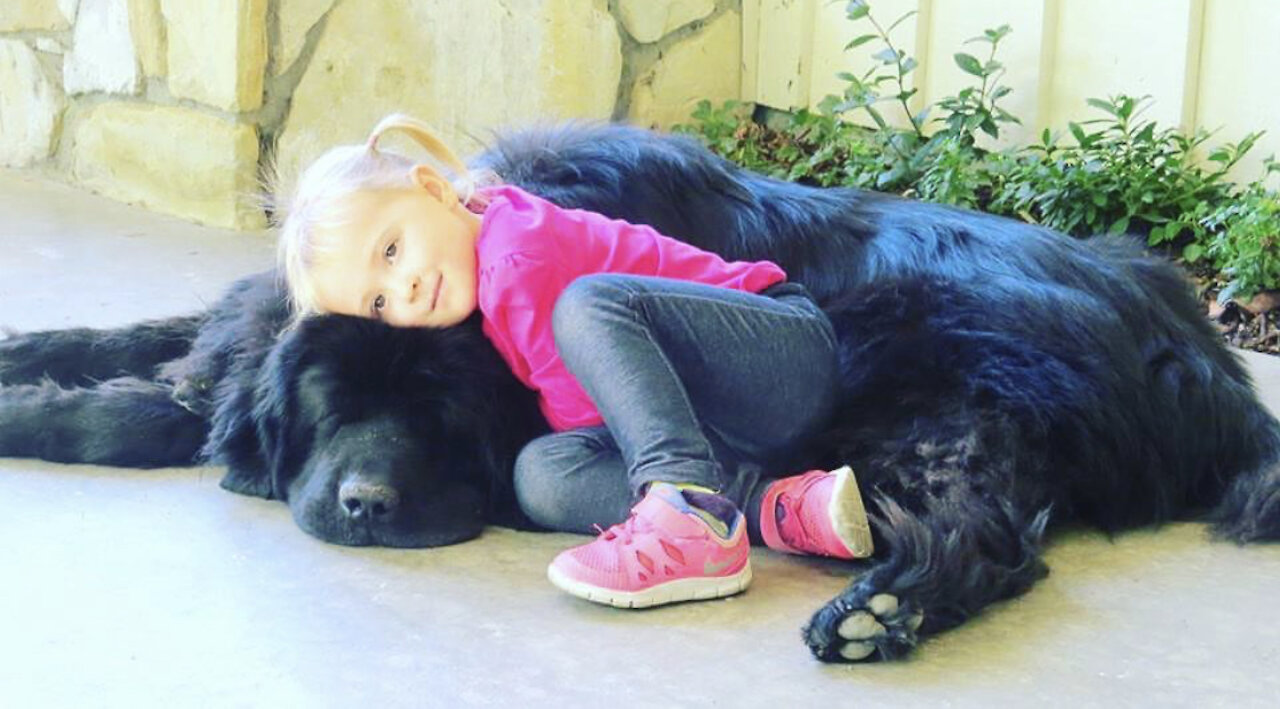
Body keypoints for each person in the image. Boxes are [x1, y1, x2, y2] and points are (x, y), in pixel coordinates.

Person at [273, 113, 874, 608]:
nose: (403, 286)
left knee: (587, 307)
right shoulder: (483, 267)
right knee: (541, 474)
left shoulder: (514, 253)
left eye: (393, 249)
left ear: (435, 190)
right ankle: (774, 508)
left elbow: (586, 408)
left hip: (779, 348)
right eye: (377, 302)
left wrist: (592, 446)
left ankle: (683, 513)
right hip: (721, 415)